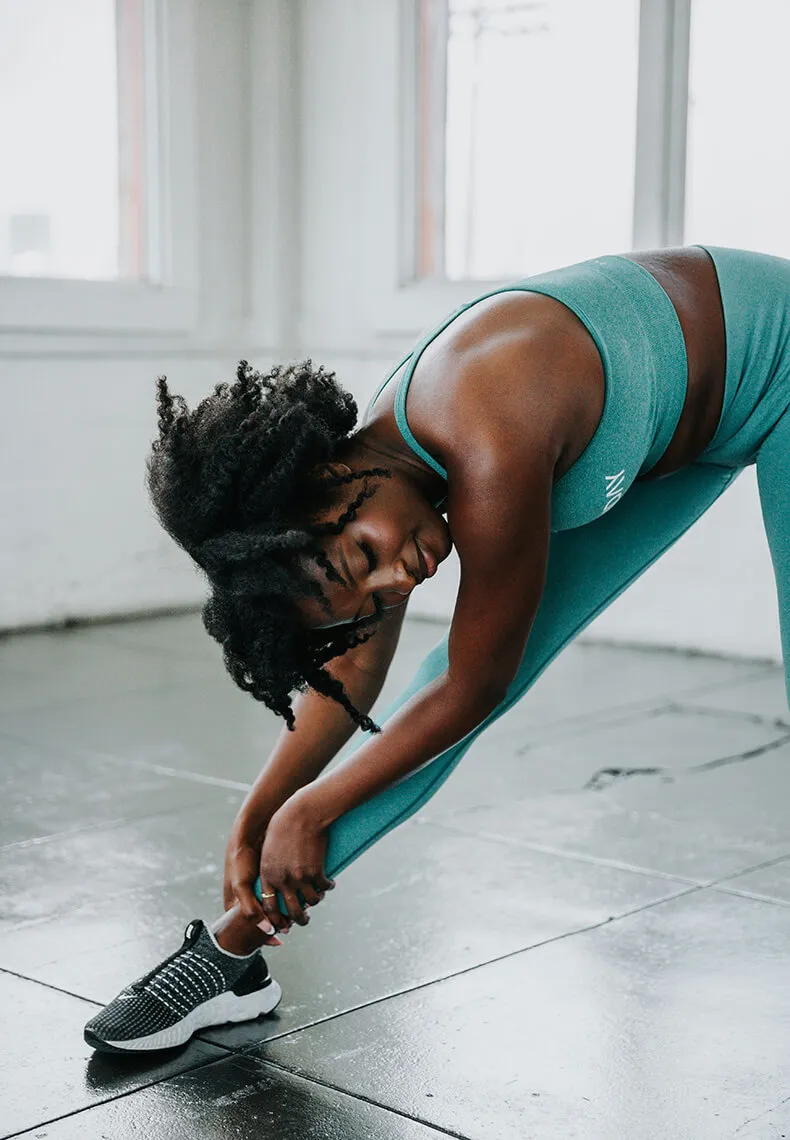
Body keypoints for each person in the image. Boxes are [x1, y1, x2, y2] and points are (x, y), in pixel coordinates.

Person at [84, 244, 790, 1053]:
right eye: (371, 596)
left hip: (779, 368)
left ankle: (237, 943)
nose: (398, 577)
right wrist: (260, 813)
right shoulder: (380, 479)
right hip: (683, 434)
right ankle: (230, 957)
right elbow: (356, 671)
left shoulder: (485, 417)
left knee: (463, 685)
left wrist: (315, 808)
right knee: (424, 714)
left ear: (327, 469)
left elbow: (474, 682)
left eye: (360, 561)